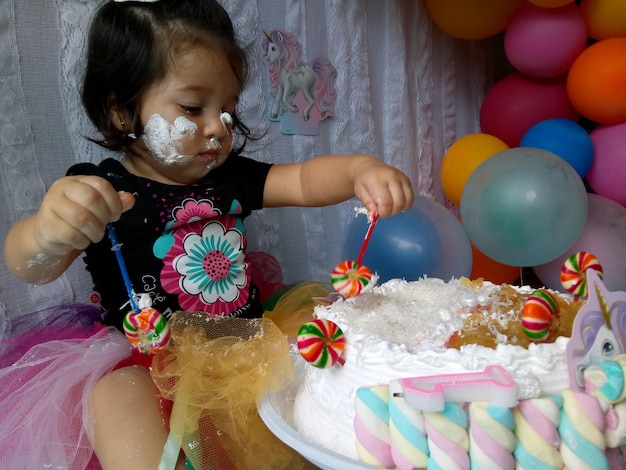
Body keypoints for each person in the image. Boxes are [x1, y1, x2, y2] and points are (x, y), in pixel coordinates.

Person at [3, 0, 414, 469]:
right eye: (194, 107)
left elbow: (301, 181)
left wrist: (361, 169)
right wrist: (48, 232)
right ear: (120, 111)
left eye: (228, 110)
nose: (218, 127)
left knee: (318, 373)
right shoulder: (103, 190)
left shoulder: (230, 178)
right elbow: (30, 263)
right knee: (115, 394)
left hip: (245, 348)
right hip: (151, 357)